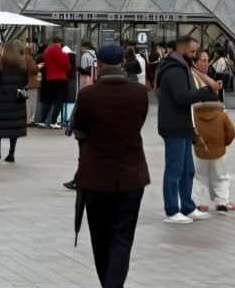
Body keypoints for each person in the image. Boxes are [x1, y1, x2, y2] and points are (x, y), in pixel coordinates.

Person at [73, 43, 149, 288]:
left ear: (100, 64)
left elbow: (79, 128)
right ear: (122, 63)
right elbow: (139, 123)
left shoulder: (88, 95)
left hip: (96, 178)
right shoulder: (139, 93)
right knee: (122, 239)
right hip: (131, 176)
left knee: (100, 239)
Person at [156, 36, 219, 223]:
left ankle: (187, 207)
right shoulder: (174, 70)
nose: (195, 55)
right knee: (175, 170)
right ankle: (171, 210)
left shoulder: (183, 67)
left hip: (183, 125)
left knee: (187, 170)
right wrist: (204, 92)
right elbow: (182, 97)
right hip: (173, 125)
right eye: (192, 52)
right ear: (182, 49)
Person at [190, 50, 235, 213]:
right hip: (217, 144)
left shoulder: (205, 77)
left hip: (201, 142)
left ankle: (196, 201)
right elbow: (230, 132)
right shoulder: (194, 78)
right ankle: (222, 201)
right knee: (220, 174)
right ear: (195, 62)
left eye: (207, 60)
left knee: (200, 175)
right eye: (202, 60)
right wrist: (225, 142)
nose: (206, 63)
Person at [0, 42, 28, 163]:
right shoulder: (22, 65)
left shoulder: (0, 65)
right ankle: (11, 153)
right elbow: (25, 81)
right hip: (17, 100)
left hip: (2, 100)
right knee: (14, 127)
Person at [37, 38, 70, 127]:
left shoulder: (47, 51)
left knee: (48, 100)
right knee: (59, 100)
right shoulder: (62, 51)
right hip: (61, 78)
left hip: (49, 78)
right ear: (60, 43)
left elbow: (46, 63)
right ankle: (53, 122)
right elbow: (66, 65)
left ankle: (42, 121)